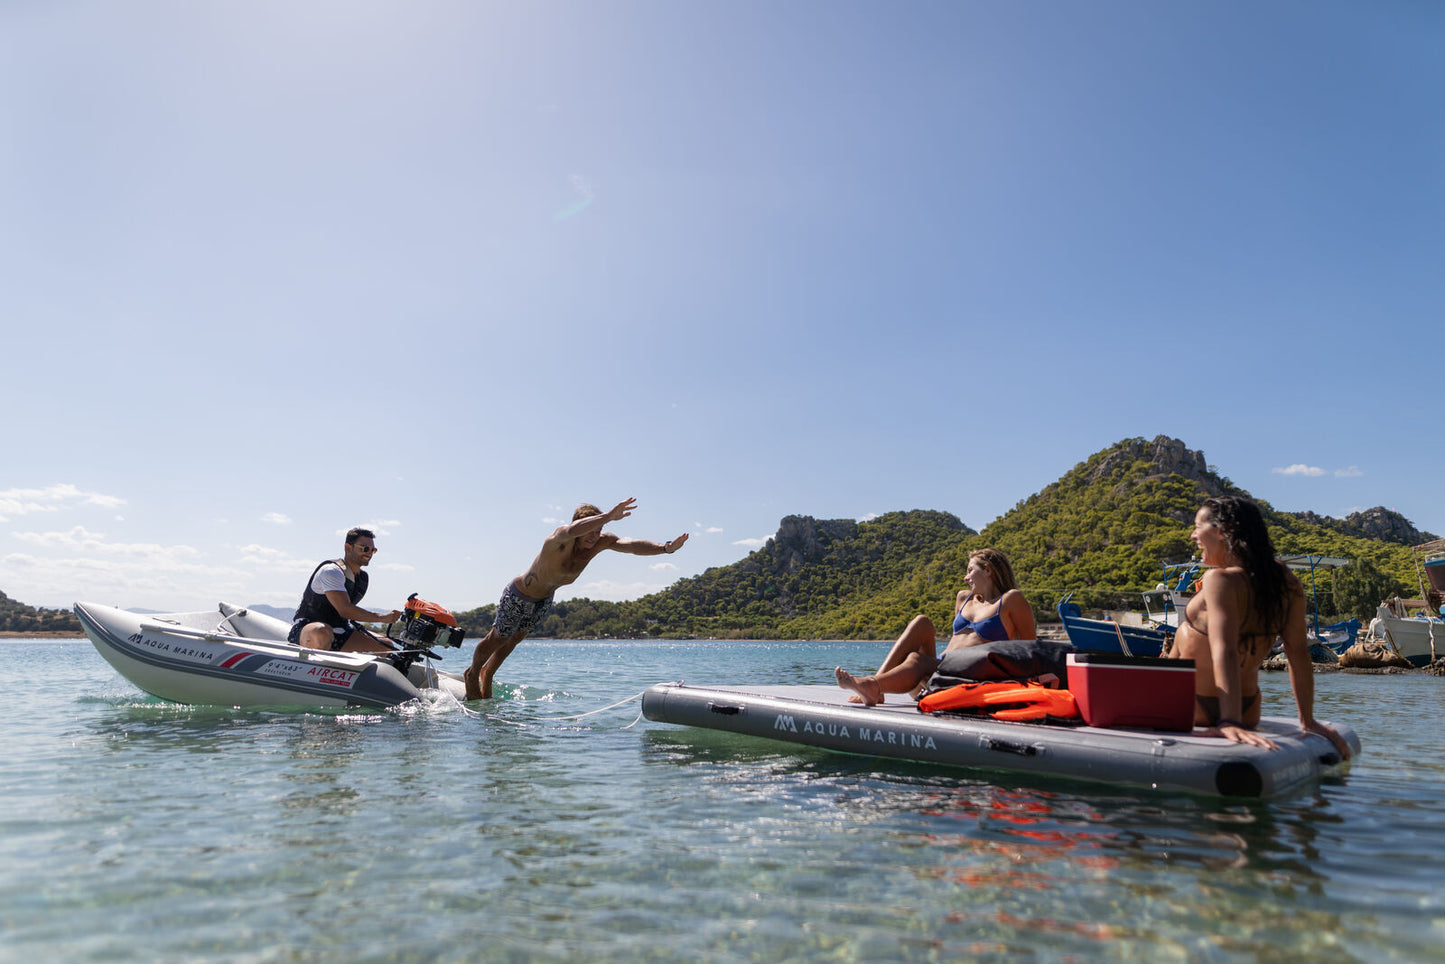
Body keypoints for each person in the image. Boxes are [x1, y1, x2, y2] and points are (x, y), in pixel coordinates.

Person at [1170, 496, 1352, 759]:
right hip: (1249, 709)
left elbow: (1225, 650)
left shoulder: (1219, 579)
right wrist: (1307, 720)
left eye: (1198, 527)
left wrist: (1228, 722)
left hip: (1191, 703)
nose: (1193, 536)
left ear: (1222, 532)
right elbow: (1298, 653)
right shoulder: (1285, 581)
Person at [463, 498, 689, 700]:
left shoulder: (600, 541)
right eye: (590, 529)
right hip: (519, 594)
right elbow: (572, 530)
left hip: (543, 600)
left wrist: (665, 548)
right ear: (579, 528)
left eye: (599, 529)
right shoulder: (560, 538)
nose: (595, 535)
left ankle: (488, 673)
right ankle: (473, 673)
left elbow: (631, 546)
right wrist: (609, 516)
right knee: (498, 637)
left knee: (514, 639)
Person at [835, 547, 1035, 706]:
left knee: (916, 659)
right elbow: (957, 640)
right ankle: (877, 686)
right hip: (940, 670)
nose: (966, 578)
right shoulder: (964, 598)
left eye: (970, 570)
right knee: (921, 621)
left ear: (988, 571)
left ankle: (873, 685)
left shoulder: (1011, 600)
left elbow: (1031, 652)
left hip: (971, 676)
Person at [288, 527, 403, 653]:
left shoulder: (362, 578)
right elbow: (345, 609)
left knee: (385, 645)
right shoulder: (331, 571)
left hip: (340, 631)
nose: (369, 553)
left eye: (373, 550)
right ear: (348, 548)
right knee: (322, 632)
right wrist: (382, 618)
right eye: (364, 548)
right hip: (309, 629)